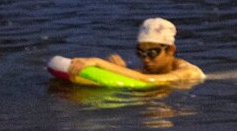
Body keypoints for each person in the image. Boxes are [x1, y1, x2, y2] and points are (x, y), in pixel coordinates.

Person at [66, 17, 206, 87]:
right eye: (140, 53)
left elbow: (149, 80)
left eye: (152, 53)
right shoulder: (147, 69)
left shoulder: (187, 71)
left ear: (170, 50)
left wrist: (98, 62)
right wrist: (120, 70)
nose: (145, 59)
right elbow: (138, 77)